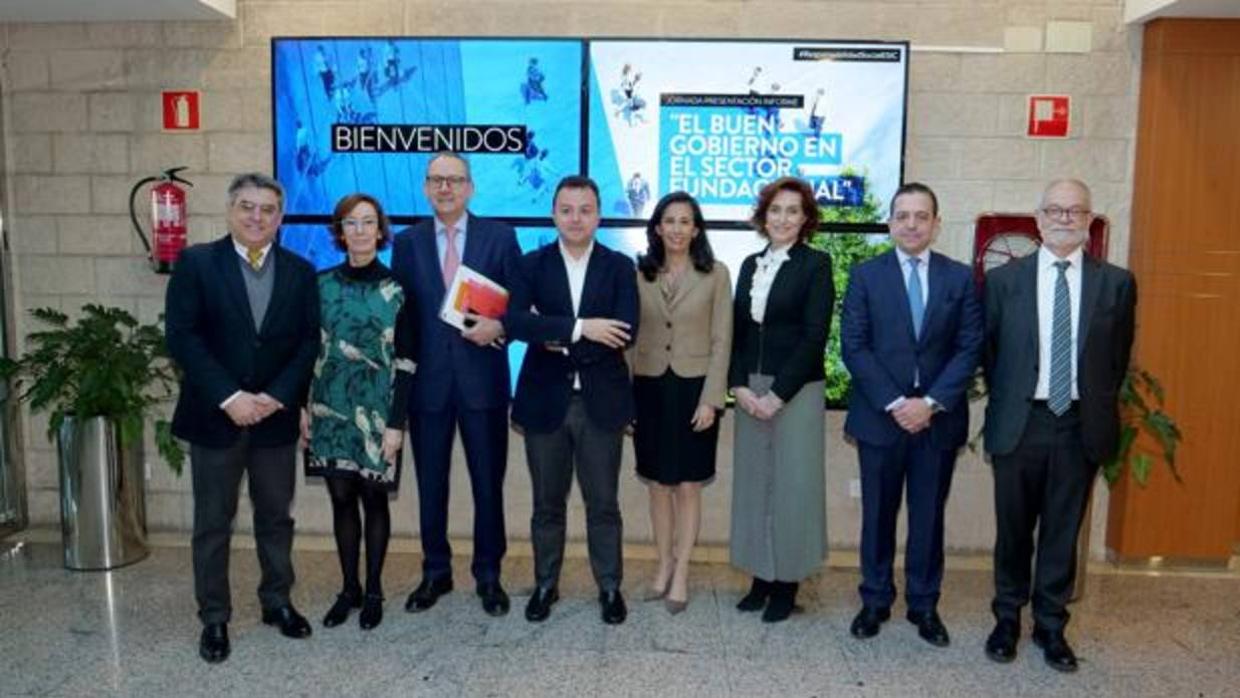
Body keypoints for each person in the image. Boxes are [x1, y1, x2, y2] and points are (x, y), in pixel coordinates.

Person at [982, 178, 1136, 673]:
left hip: (1078, 425)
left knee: (1062, 531)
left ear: (1090, 220)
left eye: (1075, 211)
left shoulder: (1116, 282)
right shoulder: (1006, 281)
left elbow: (1116, 359)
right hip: (1020, 421)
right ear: (1039, 218)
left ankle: (1051, 624)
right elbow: (992, 352)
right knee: (1013, 530)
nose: (1064, 218)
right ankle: (1007, 618)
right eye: (1055, 210)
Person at [165, 173, 320, 664]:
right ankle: (214, 617)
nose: (257, 217)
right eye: (248, 207)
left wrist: (277, 397)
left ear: (281, 217)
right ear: (231, 210)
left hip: (274, 419)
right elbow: (183, 338)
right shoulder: (196, 263)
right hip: (216, 416)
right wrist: (231, 397)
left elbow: (307, 342)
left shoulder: (300, 270)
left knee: (276, 517)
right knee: (213, 522)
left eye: (268, 209)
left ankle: (277, 601)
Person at [840, 182, 983, 646]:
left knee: (927, 518)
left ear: (936, 225)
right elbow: (855, 347)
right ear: (890, 223)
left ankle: (924, 605)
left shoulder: (959, 278)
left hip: (937, 422)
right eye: (903, 216)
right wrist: (899, 403)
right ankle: (875, 600)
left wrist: (930, 403)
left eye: (922, 216)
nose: (912, 224)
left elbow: (969, 347)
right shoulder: (866, 275)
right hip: (882, 420)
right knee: (877, 516)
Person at [389, 152, 521, 617]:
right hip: (427, 387)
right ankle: (435, 572)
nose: (445, 188)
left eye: (455, 180)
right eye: (437, 180)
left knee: (489, 484)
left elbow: (518, 306)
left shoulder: (500, 237)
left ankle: (489, 575)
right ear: (426, 188)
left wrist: (499, 327)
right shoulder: (406, 243)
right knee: (431, 485)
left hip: (483, 384)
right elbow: (402, 318)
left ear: (470, 187)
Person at [505, 175, 639, 625]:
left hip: (601, 404)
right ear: (554, 214)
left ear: (598, 215)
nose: (576, 218)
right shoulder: (530, 265)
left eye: (585, 210)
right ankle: (545, 585)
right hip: (545, 403)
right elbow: (518, 323)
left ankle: (610, 588)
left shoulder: (620, 266)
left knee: (604, 503)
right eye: (567, 209)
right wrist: (582, 328)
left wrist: (555, 331)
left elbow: (625, 330)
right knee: (547, 504)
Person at [302, 193, 416, 631]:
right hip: (329, 410)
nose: (361, 230)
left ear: (381, 230)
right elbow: (306, 348)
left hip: (378, 415)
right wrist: (301, 407)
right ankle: (347, 588)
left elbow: (407, 362)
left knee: (374, 500)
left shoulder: (399, 290)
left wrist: (396, 425)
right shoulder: (320, 284)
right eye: (351, 223)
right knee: (341, 500)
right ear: (339, 230)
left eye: (369, 222)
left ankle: (373, 590)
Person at [728, 176, 834, 623]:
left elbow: (814, 337)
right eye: (775, 210)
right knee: (754, 487)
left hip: (797, 390)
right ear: (763, 215)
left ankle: (787, 583)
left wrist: (777, 395)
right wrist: (738, 387)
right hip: (751, 388)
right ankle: (760, 577)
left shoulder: (816, 264)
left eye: (793, 211)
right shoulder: (751, 265)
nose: (783, 218)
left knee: (793, 488)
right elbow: (738, 331)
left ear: (806, 219)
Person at [631, 192, 732, 615]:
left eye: (685, 221)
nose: (676, 228)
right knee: (657, 484)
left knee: (689, 484)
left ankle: (682, 572)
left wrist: (712, 399)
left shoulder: (716, 273)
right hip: (649, 388)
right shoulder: (640, 272)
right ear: (657, 227)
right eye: (668, 220)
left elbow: (722, 340)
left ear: (696, 229)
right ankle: (662, 565)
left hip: (695, 392)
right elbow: (628, 336)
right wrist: (625, 398)